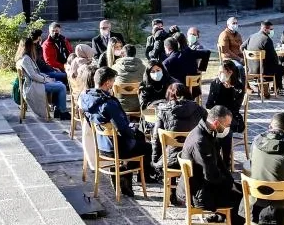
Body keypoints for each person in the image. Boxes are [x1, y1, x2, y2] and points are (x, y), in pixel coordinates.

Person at [80, 67, 156, 195]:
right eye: (113, 81)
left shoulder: (86, 97)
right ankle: (128, 176)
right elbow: (123, 130)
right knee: (147, 146)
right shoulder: (108, 104)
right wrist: (133, 130)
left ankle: (126, 178)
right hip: (114, 148)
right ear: (108, 83)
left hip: (100, 144)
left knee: (139, 137)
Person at [180, 105, 245, 225]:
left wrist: (232, 181)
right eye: (227, 125)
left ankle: (216, 224)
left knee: (241, 191)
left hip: (202, 184)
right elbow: (211, 175)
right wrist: (230, 185)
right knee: (246, 201)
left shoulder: (207, 132)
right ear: (216, 123)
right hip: (199, 192)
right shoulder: (201, 141)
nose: (228, 129)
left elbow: (220, 165)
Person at [152, 82, 207, 169]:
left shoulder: (162, 112)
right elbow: (208, 133)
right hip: (195, 160)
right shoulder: (200, 110)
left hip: (170, 161)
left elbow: (156, 138)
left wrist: (155, 160)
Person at [16, 37, 69, 121]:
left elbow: (36, 73)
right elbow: (33, 75)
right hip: (33, 86)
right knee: (61, 87)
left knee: (58, 82)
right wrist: (45, 80)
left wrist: (47, 78)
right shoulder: (25, 59)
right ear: (29, 46)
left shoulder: (25, 58)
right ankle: (63, 112)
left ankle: (58, 110)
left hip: (36, 83)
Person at [245, 20, 284, 98]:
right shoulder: (266, 39)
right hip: (263, 70)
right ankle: (276, 88)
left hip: (250, 69)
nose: (272, 31)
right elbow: (273, 57)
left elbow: (242, 47)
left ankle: (265, 85)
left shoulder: (251, 36)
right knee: (281, 69)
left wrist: (249, 56)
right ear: (265, 29)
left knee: (273, 67)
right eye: (271, 29)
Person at [205, 62, 246, 138]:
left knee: (225, 125)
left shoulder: (238, 87)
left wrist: (222, 116)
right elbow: (209, 104)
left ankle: (225, 149)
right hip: (215, 114)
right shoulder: (215, 83)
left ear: (230, 73)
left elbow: (235, 108)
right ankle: (212, 147)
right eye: (218, 72)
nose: (219, 74)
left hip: (230, 115)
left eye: (221, 72)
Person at [111, 44, 147, 113]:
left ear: (123, 54)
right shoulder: (143, 68)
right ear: (135, 54)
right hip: (138, 104)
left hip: (120, 105)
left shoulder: (115, 67)